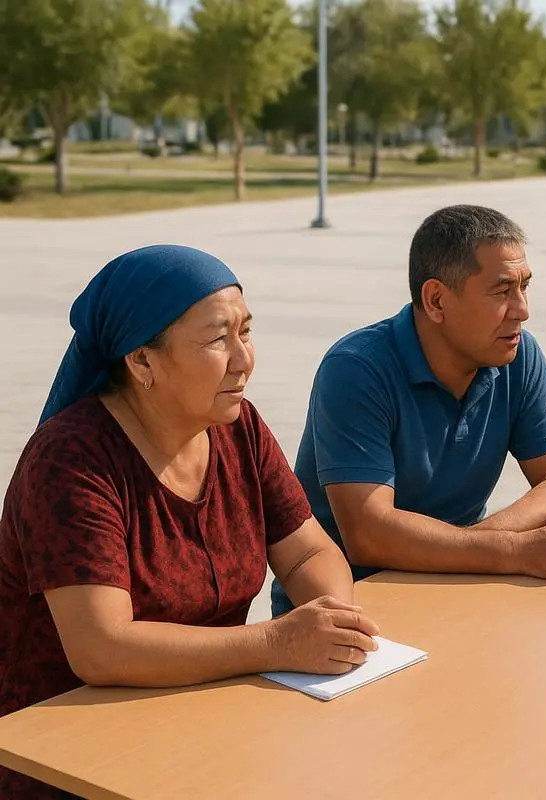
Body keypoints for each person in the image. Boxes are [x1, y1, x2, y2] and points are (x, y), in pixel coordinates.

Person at [0, 245, 379, 800]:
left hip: (202, 721)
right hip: (69, 757)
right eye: (216, 339)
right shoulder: (72, 460)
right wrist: (278, 642)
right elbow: (102, 647)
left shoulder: (236, 425)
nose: (244, 359)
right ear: (141, 361)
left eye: (246, 332)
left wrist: (334, 619)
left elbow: (306, 553)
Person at [271, 205, 546, 617]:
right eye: (501, 291)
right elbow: (369, 534)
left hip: (462, 583)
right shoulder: (356, 369)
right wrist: (510, 550)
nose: (522, 310)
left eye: (524, 287)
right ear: (436, 300)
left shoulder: (517, 355)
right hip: (351, 607)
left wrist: (478, 545)